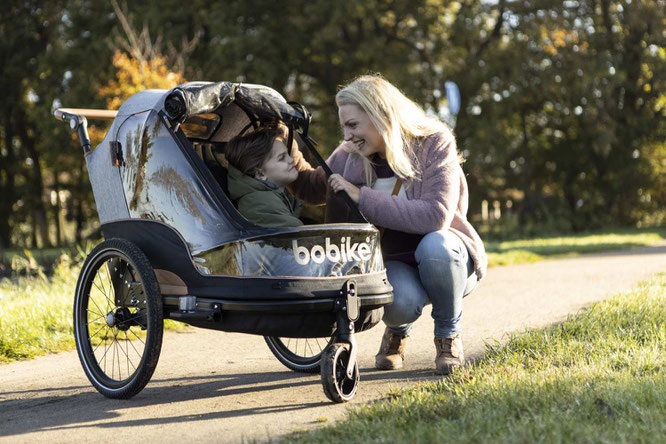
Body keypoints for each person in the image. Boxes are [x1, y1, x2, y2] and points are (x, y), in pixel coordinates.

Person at [289, 75, 487, 374]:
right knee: (397, 302)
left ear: (380, 114)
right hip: (396, 262)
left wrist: (360, 195)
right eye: (344, 126)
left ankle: (448, 335)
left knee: (436, 245)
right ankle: (398, 329)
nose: (348, 135)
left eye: (353, 125)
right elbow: (313, 185)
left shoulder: (434, 142)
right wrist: (282, 142)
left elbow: (435, 216)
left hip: (449, 261)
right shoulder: (351, 154)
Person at [224, 126, 303, 228]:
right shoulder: (258, 203)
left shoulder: (267, 198)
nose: (291, 160)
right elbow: (299, 237)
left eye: (287, 154)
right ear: (260, 174)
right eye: (282, 158)